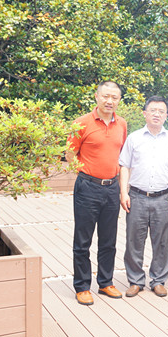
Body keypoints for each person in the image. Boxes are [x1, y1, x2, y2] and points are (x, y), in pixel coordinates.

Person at [67, 81, 127, 306]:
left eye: (114, 97)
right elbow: (70, 154)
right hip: (88, 187)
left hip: (111, 187)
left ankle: (105, 282)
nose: (109, 101)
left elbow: (121, 155)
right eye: (105, 96)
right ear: (97, 97)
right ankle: (82, 286)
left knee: (109, 239)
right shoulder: (81, 123)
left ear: (119, 100)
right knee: (83, 240)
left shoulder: (122, 124)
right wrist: (85, 177)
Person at [119, 95, 168, 298]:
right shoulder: (134, 138)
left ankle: (158, 280)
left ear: (166, 116)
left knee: (162, 241)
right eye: (153, 110)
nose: (157, 114)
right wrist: (124, 192)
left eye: (161, 111)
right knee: (134, 241)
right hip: (137, 196)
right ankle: (135, 280)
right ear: (145, 113)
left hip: (163, 197)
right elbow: (124, 166)